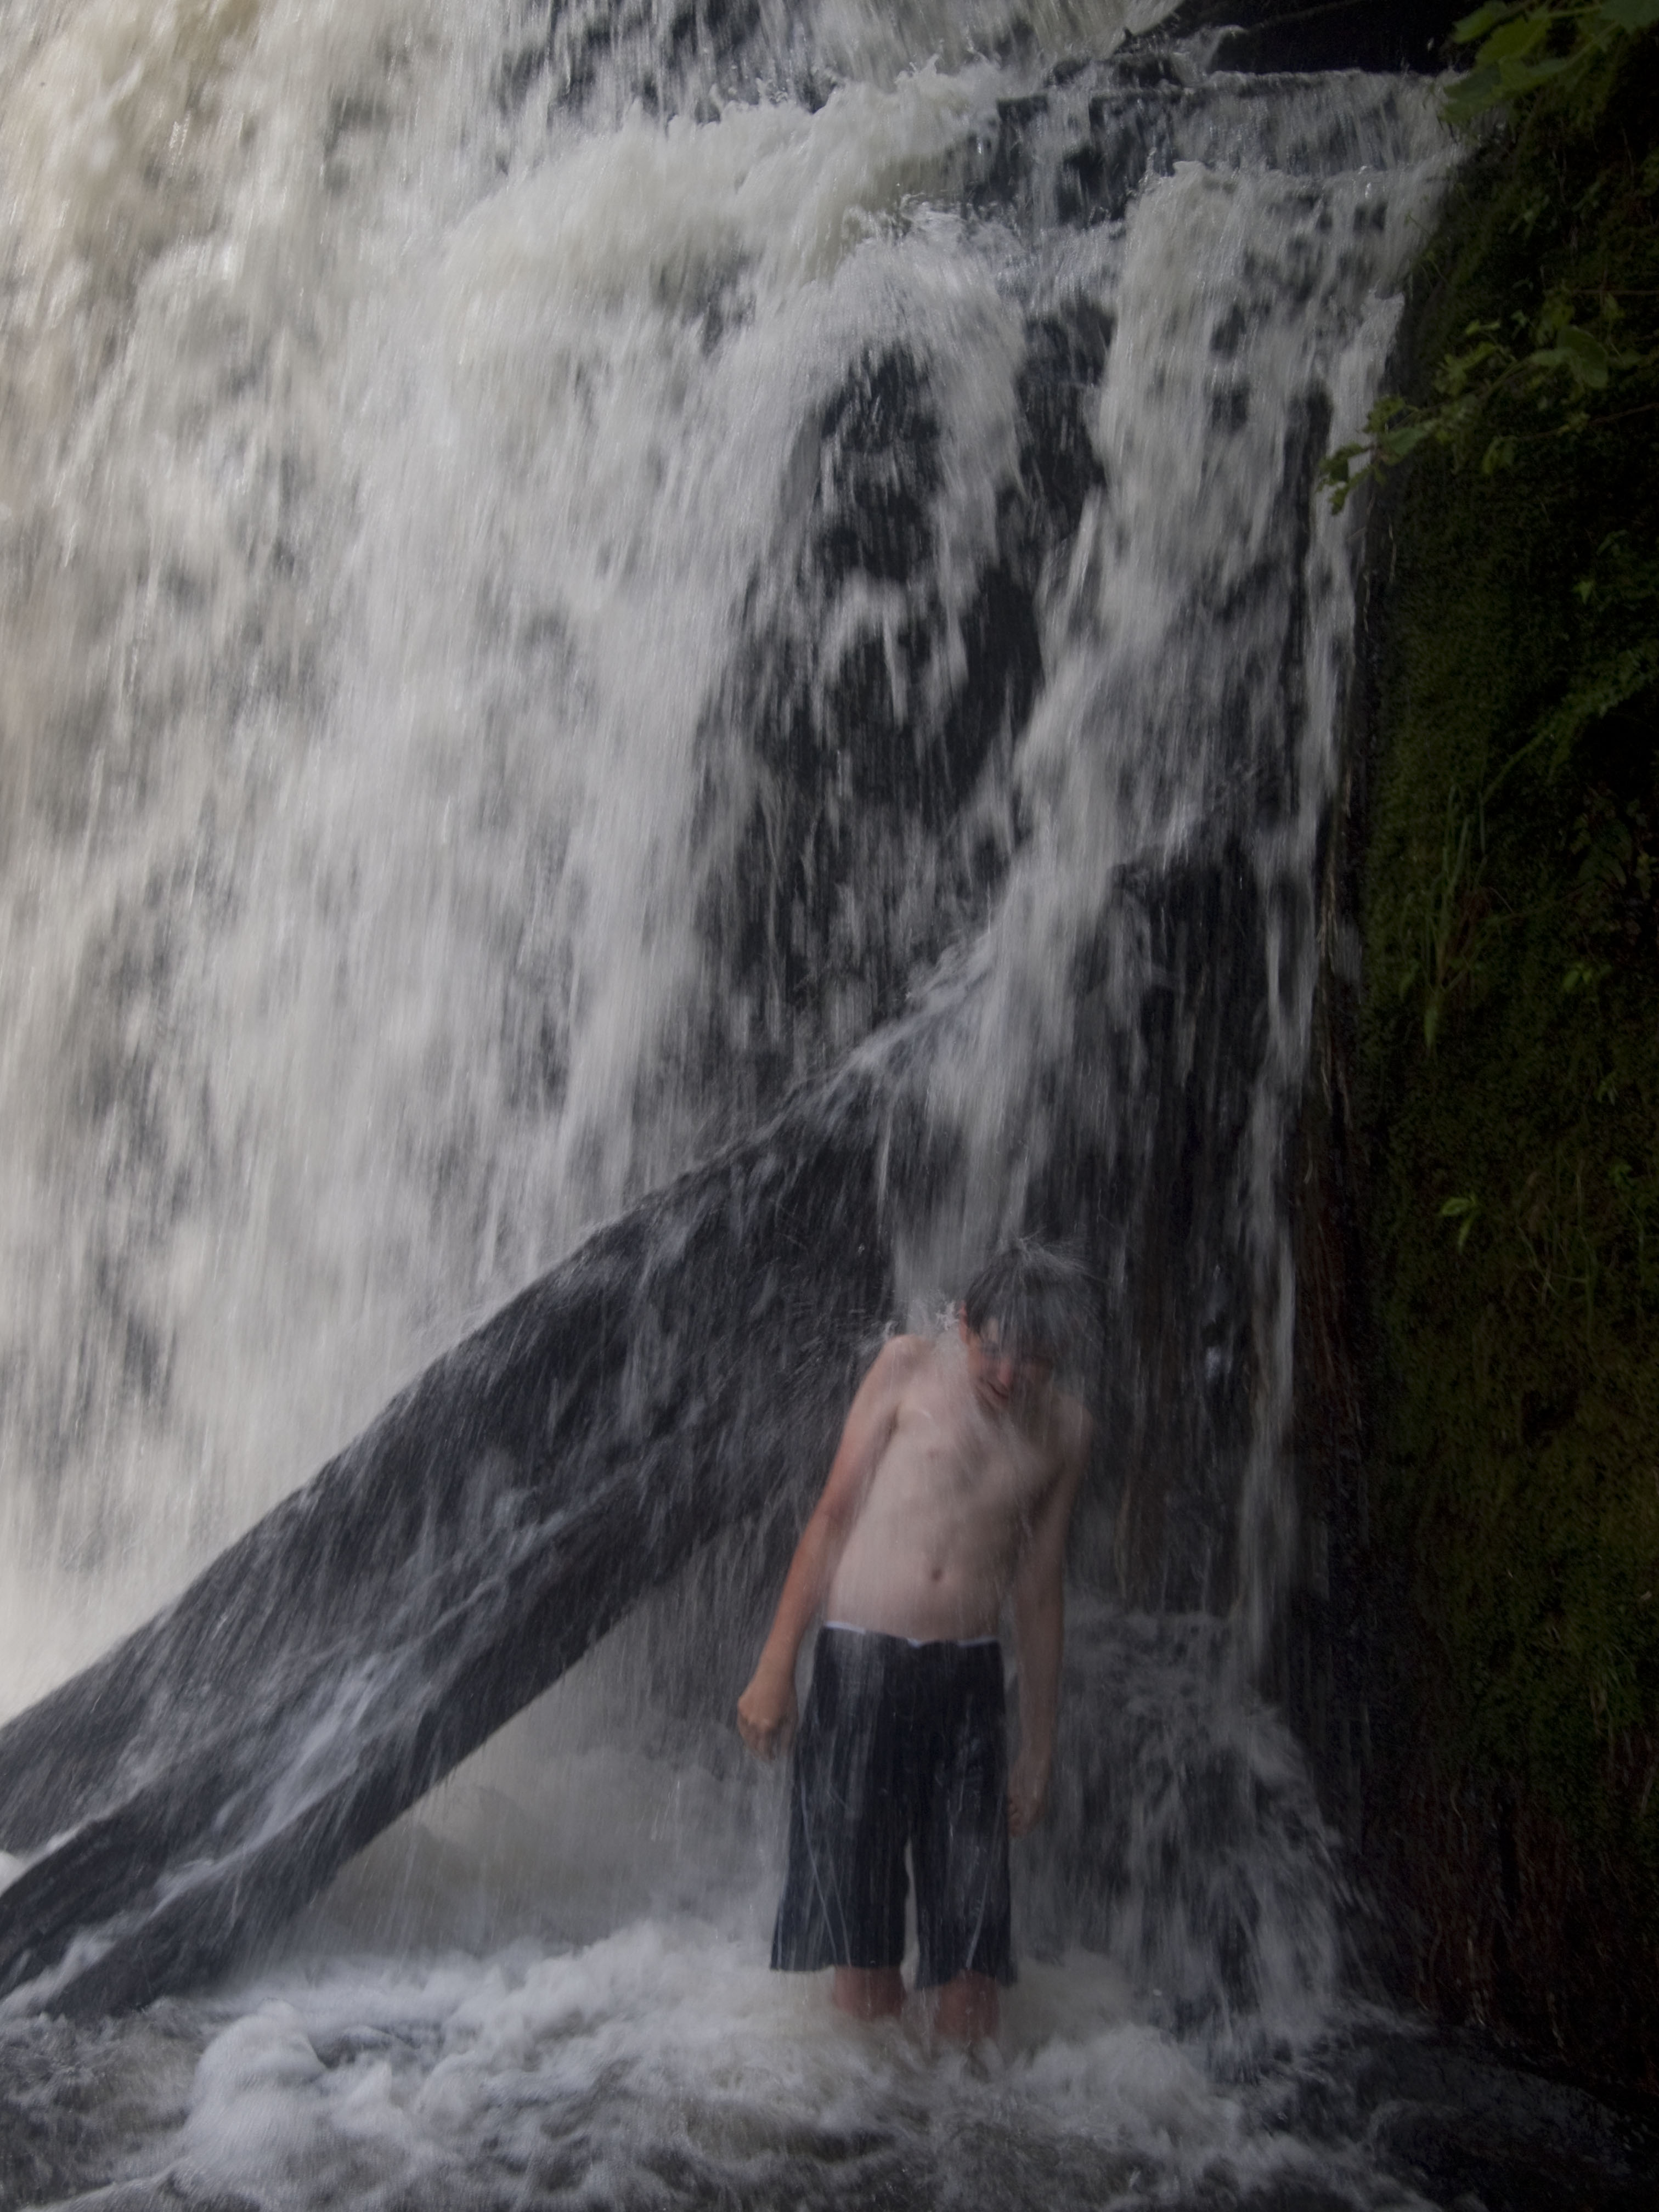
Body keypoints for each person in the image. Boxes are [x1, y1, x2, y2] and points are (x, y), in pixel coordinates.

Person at [736, 1243, 1093, 2045]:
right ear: (963, 1326)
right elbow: (832, 1517)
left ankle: (956, 2113)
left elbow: (1040, 1590)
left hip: (967, 1690)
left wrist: (1039, 1748)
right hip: (859, 1669)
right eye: (992, 1351)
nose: (1008, 1377)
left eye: (1031, 1361)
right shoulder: (906, 1368)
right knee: (863, 1961)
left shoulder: (1067, 1431)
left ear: (1060, 1352)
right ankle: (873, 2113)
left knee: (972, 1975)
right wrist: (775, 1665)